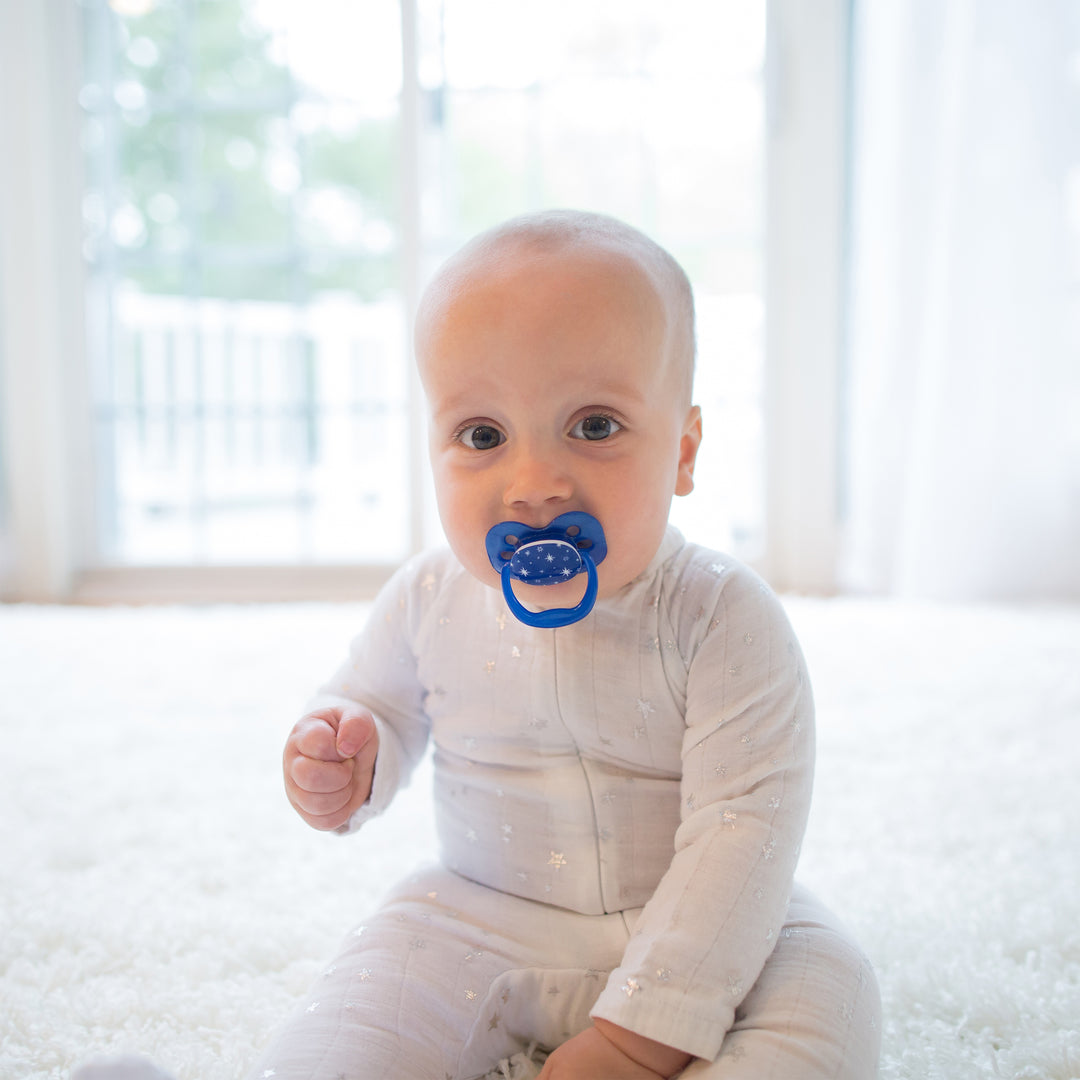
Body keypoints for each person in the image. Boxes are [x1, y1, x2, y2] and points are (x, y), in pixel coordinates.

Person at [254, 209, 881, 1080]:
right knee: (356, 1009)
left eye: (593, 426)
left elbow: (745, 831)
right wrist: (345, 752)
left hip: (708, 924)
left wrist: (639, 1037)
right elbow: (379, 707)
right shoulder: (429, 597)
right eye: (483, 436)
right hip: (478, 914)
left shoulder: (722, 616)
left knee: (831, 995)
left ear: (684, 452)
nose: (535, 483)